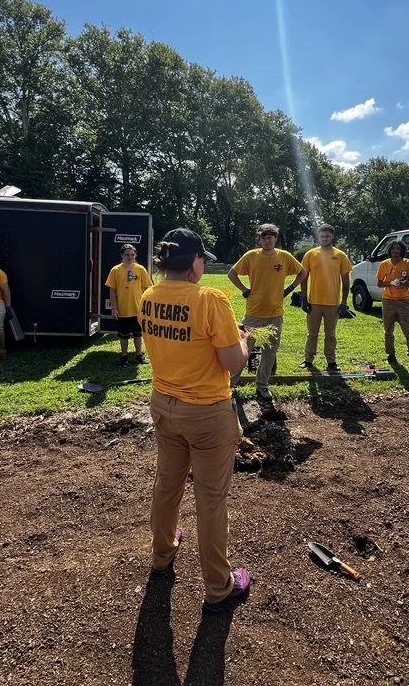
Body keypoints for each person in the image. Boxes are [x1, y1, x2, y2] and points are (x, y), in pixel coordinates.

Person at [140, 228, 252, 613]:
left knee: (167, 484)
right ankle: (219, 589)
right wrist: (245, 340)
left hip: (163, 405)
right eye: (203, 258)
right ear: (193, 263)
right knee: (210, 500)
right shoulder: (211, 299)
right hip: (206, 414)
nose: (204, 264)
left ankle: (162, 554)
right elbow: (232, 362)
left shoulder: (148, 295)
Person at [227, 223, 308, 399]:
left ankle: (262, 386)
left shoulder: (284, 256)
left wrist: (290, 288)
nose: (267, 240)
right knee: (243, 350)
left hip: (275, 313)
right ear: (260, 239)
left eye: (270, 237)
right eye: (264, 237)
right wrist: (244, 289)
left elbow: (302, 272)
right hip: (253, 313)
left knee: (269, 352)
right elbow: (232, 273)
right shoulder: (251, 256)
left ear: (275, 239)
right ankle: (230, 385)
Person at [299, 223, 353, 372]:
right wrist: (304, 298)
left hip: (333, 303)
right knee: (312, 334)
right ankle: (308, 360)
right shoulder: (310, 254)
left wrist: (344, 302)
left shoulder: (340, 255)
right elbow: (303, 277)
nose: (324, 238)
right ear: (318, 236)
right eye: (322, 236)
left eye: (327, 236)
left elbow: (346, 281)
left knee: (330, 335)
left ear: (332, 237)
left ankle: (331, 361)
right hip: (314, 302)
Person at [375, 240, 409, 371]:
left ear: (402, 251)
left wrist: (402, 283)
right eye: (393, 248)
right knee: (388, 329)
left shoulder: (408, 263)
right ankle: (391, 354)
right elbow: (380, 283)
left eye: (398, 249)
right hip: (388, 300)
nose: (395, 251)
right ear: (390, 250)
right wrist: (391, 283)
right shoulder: (384, 264)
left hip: (403, 300)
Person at [105, 243, 153, 366]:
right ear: (122, 255)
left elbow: (148, 288)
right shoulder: (115, 270)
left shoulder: (141, 269)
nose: (130, 257)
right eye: (127, 254)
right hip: (123, 309)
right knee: (123, 335)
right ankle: (124, 356)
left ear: (136, 255)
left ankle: (138, 355)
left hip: (138, 309)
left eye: (132, 254)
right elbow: (112, 290)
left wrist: (147, 307)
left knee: (138, 334)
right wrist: (114, 308)